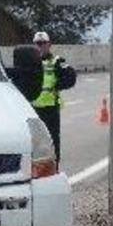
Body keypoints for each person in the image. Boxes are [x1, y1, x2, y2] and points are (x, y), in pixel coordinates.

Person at [31, 32, 75, 161]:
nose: (40, 46)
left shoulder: (56, 61)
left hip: (51, 108)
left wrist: (58, 85)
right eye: (37, 44)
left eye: (43, 43)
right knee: (34, 141)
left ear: (49, 45)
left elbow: (71, 77)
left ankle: (54, 166)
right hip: (33, 108)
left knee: (52, 139)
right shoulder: (30, 62)